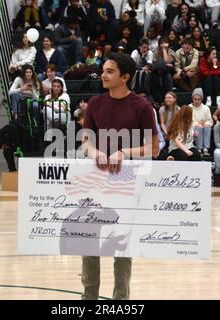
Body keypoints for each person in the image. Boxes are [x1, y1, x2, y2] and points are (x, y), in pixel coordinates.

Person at [81, 52, 159, 300]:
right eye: (103, 70)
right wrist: (93, 151)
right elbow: (85, 141)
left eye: (110, 71)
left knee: (122, 246)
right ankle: (88, 298)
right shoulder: (95, 103)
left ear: (125, 77)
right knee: (89, 244)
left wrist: (124, 151)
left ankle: (121, 299)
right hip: (96, 182)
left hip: (127, 184)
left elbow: (153, 148)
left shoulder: (143, 107)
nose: (103, 75)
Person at [188, 87, 212, 156]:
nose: (196, 101)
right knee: (198, 127)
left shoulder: (206, 108)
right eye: (195, 99)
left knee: (207, 127)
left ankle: (205, 149)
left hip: (203, 127)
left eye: (198, 99)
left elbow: (210, 120)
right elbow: (187, 121)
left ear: (201, 99)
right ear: (192, 99)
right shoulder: (189, 108)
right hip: (192, 128)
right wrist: (196, 124)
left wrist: (206, 124)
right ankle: (199, 148)